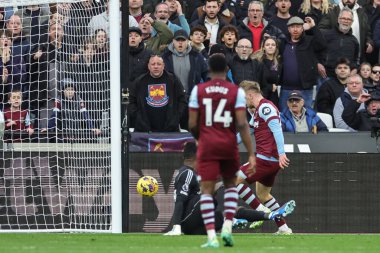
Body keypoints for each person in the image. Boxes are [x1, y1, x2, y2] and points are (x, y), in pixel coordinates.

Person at [188, 54, 256, 248]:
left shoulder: (198, 90)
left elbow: (192, 123)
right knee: (231, 185)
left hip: (208, 144)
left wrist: (200, 137)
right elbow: (242, 124)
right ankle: (227, 226)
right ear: (227, 70)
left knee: (207, 190)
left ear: (208, 69)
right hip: (228, 144)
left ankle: (211, 236)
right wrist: (251, 153)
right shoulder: (236, 92)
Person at [164, 142, 296, 236]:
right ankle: (229, 219)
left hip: (199, 227)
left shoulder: (195, 173)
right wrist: (176, 227)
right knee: (224, 186)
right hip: (188, 221)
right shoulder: (186, 173)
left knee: (233, 207)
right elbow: (180, 201)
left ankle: (271, 215)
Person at [236, 80, 294, 235]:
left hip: (266, 159)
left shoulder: (265, 107)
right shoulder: (256, 111)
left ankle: (261, 213)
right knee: (262, 194)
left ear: (250, 95)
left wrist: (282, 153)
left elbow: (277, 130)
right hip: (269, 161)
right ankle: (284, 228)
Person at [278, 16, 326, 111]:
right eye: (292, 27)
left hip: (305, 89)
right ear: (288, 29)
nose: (295, 29)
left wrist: (313, 27)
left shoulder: (309, 41)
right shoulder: (283, 43)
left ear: (302, 28)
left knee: (306, 115)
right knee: (283, 116)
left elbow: (322, 45)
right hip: (286, 88)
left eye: (298, 26)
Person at [129, 55, 186, 132]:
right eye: (153, 64)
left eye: (159, 64)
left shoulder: (173, 80)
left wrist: (176, 118)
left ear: (163, 66)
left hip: (169, 130)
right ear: (148, 66)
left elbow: (182, 99)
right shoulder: (139, 81)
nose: (156, 66)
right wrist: (139, 119)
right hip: (144, 130)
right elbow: (131, 101)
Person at [254, 36, 281, 107]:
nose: (270, 47)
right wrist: (269, 87)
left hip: (274, 97)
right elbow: (256, 81)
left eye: (273, 45)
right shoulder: (258, 62)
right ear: (263, 48)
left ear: (276, 48)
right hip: (262, 97)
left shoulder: (278, 63)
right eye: (267, 45)